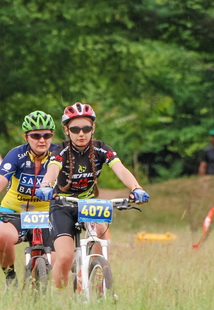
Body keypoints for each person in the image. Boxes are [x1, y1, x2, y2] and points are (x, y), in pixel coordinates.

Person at [35, 102, 149, 289]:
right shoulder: (60, 151)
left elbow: (120, 169)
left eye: (86, 128)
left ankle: (94, 274)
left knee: (102, 231)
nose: (81, 134)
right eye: (75, 129)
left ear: (93, 128)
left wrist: (136, 188)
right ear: (67, 130)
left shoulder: (101, 149)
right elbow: (52, 170)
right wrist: (46, 185)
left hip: (88, 203)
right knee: (64, 257)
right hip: (62, 205)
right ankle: (59, 297)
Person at [0, 111, 58, 289]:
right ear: (26, 137)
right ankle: (10, 278)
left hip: (46, 212)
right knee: (1, 237)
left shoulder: (58, 154)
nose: (42, 140)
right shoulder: (17, 155)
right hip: (15, 211)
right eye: (36, 136)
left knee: (60, 257)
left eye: (47, 135)